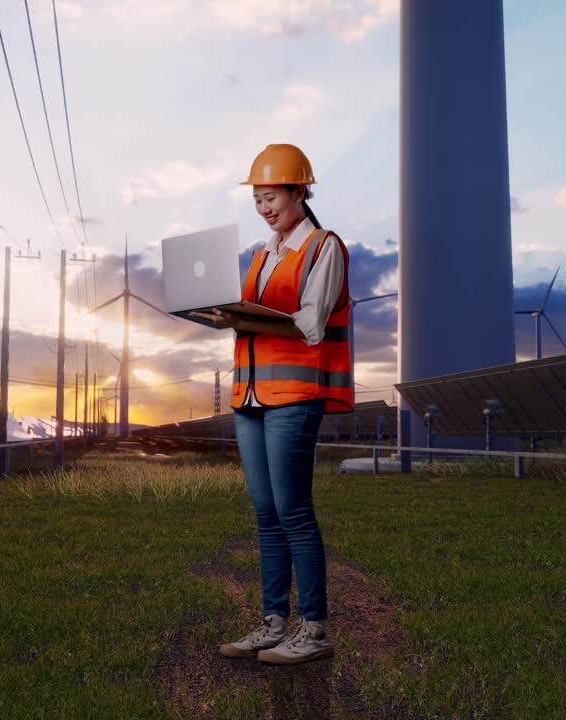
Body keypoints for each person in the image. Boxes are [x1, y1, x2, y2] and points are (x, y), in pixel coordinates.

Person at [189, 143, 354, 665]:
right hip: (251, 396)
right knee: (265, 513)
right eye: (257, 199)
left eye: (271, 196)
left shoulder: (324, 247)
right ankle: (274, 622)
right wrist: (221, 318)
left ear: (299, 192)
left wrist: (243, 318)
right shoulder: (262, 255)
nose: (264, 208)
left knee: (294, 511)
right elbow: (256, 321)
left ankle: (315, 629)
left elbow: (309, 323)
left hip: (294, 396)